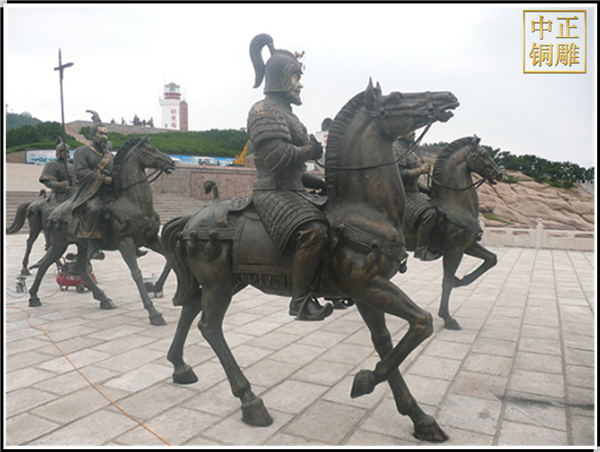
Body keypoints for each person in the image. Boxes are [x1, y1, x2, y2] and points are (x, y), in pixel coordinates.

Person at [247, 33, 333, 321]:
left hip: (291, 188)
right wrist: (310, 151)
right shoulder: (264, 110)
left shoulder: (287, 114)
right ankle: (300, 301)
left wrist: (322, 183)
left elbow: (294, 171)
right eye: (295, 76)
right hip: (272, 191)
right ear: (280, 78)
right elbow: (277, 158)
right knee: (314, 231)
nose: (300, 83)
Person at [71, 123, 114, 260]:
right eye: (101, 134)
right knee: (94, 209)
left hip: (108, 192)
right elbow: (80, 171)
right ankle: (92, 247)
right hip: (89, 191)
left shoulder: (110, 155)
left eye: (106, 134)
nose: (104, 137)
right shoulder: (81, 151)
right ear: (93, 135)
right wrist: (102, 178)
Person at [395, 133, 439, 261]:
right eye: (411, 131)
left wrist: (427, 190)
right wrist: (420, 170)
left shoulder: (410, 151)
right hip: (403, 194)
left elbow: (414, 183)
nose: (414, 133)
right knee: (429, 213)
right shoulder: (396, 149)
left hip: (415, 192)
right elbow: (399, 174)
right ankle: (421, 249)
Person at [39, 139, 73, 205]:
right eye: (63, 151)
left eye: (67, 151)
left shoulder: (73, 166)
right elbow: (47, 182)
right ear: (58, 152)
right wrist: (61, 184)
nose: (65, 153)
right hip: (58, 195)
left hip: (73, 194)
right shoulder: (52, 165)